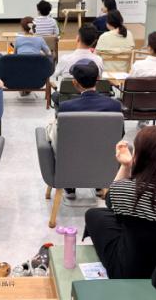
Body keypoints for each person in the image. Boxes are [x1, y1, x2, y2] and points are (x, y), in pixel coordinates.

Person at [84, 126, 156, 277]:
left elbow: (110, 199)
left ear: (139, 156)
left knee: (94, 215)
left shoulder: (128, 190)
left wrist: (126, 165)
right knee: (109, 216)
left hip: (127, 270)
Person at [45, 60, 123, 200]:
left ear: (75, 83)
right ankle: (99, 183)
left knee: (54, 133)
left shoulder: (66, 107)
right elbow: (120, 135)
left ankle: (70, 186)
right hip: (104, 164)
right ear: (97, 80)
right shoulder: (115, 106)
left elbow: (63, 139)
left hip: (72, 164)